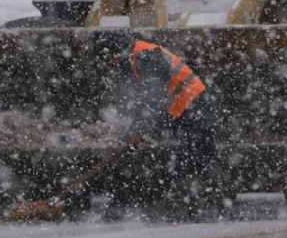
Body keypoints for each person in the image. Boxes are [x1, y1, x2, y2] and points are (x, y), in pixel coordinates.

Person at [94, 30, 222, 218]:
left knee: (195, 157)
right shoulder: (136, 58)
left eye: (111, 58)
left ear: (118, 51)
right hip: (184, 110)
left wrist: (140, 128)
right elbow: (143, 99)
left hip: (194, 107)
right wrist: (135, 129)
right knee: (187, 157)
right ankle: (195, 203)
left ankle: (203, 204)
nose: (111, 64)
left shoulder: (147, 56)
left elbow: (152, 97)